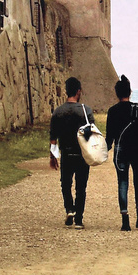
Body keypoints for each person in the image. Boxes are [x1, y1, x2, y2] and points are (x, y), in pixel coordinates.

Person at [105, 75, 138, 231]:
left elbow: (110, 135)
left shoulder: (112, 111)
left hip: (121, 150)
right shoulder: (137, 108)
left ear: (117, 94)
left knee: (122, 183)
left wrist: (104, 149)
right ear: (130, 92)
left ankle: (125, 220)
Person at [48, 77, 93, 228]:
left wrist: (53, 156)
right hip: (82, 154)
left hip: (66, 153)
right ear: (78, 91)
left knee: (65, 184)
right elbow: (92, 133)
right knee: (81, 187)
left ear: (66, 91)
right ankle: (79, 219)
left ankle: (69, 209)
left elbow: (53, 138)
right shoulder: (86, 111)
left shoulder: (58, 112)